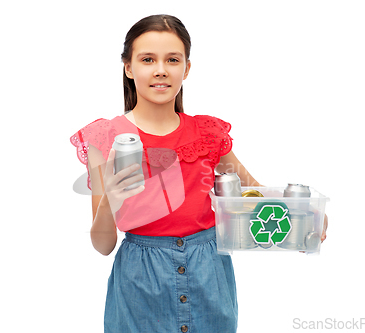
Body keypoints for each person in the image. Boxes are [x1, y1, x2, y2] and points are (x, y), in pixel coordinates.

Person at [70, 14, 327, 333]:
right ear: (128, 67)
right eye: (147, 59)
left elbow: (255, 194)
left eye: (172, 59)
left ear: (186, 69)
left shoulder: (207, 134)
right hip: (139, 281)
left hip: (210, 275)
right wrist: (110, 199)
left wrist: (305, 217)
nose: (160, 69)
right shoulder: (106, 139)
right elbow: (102, 245)